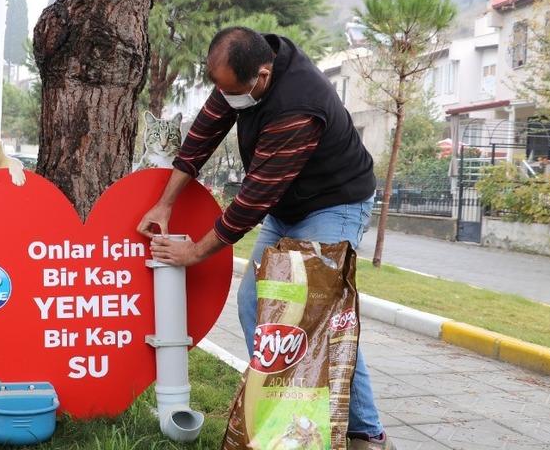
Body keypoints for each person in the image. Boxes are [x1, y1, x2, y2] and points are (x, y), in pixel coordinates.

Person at [137, 27, 394, 450]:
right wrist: (166, 201)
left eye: (232, 90)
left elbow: (251, 203)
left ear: (261, 75)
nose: (225, 97)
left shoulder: (298, 106)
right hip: (288, 204)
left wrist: (193, 252)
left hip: (334, 203)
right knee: (256, 303)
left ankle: (367, 432)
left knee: (320, 316)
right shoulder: (240, 75)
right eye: (218, 86)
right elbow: (202, 134)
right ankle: (291, 407)